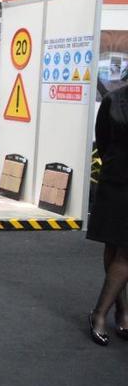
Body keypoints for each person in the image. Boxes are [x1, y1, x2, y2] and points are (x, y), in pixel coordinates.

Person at [86, 84, 128, 346]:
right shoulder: (113, 100)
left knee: (126, 253)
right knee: (113, 247)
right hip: (115, 184)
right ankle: (122, 311)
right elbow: (102, 143)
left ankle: (100, 313)